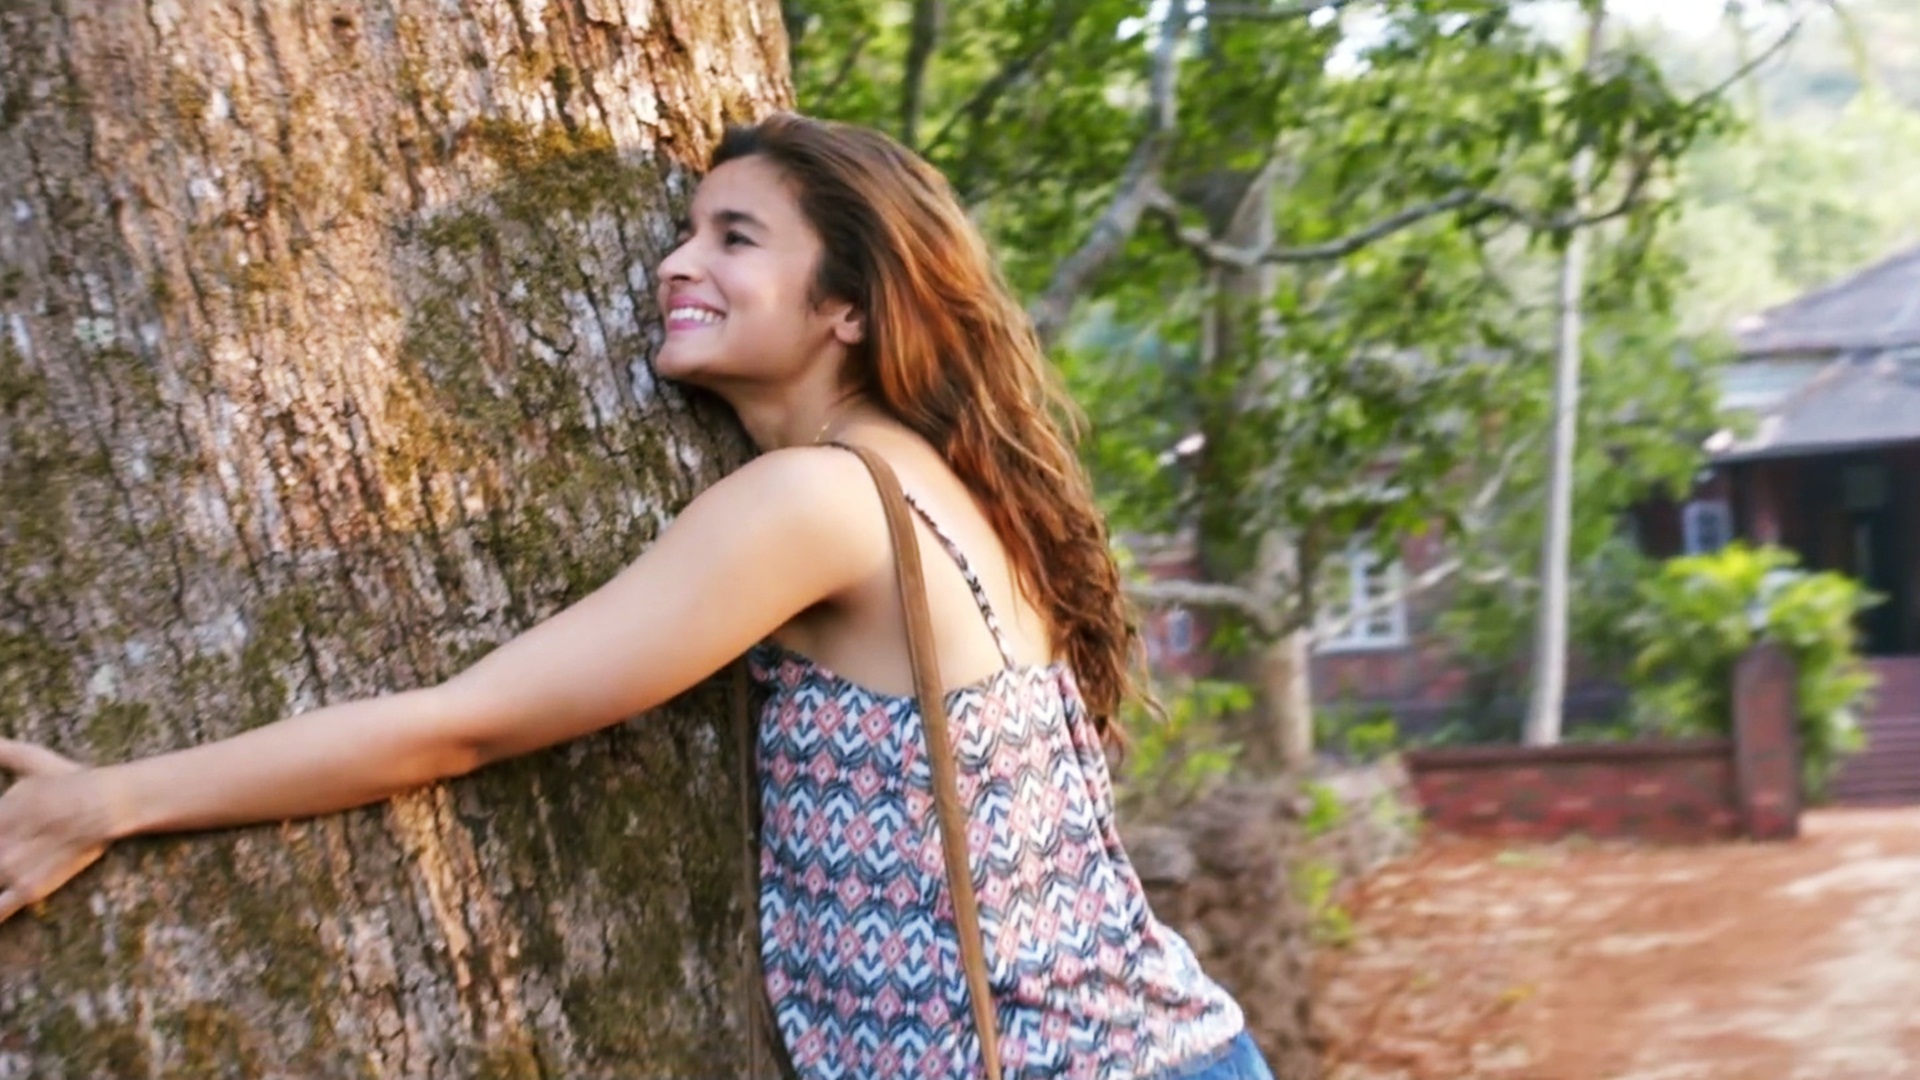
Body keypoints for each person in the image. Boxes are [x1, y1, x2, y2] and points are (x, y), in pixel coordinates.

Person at [0, 113, 1273, 1080]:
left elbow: (467, 723)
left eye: (735, 237)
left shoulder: (817, 504)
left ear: (844, 304)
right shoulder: (944, 481)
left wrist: (111, 800)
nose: (675, 262)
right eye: (686, 228)